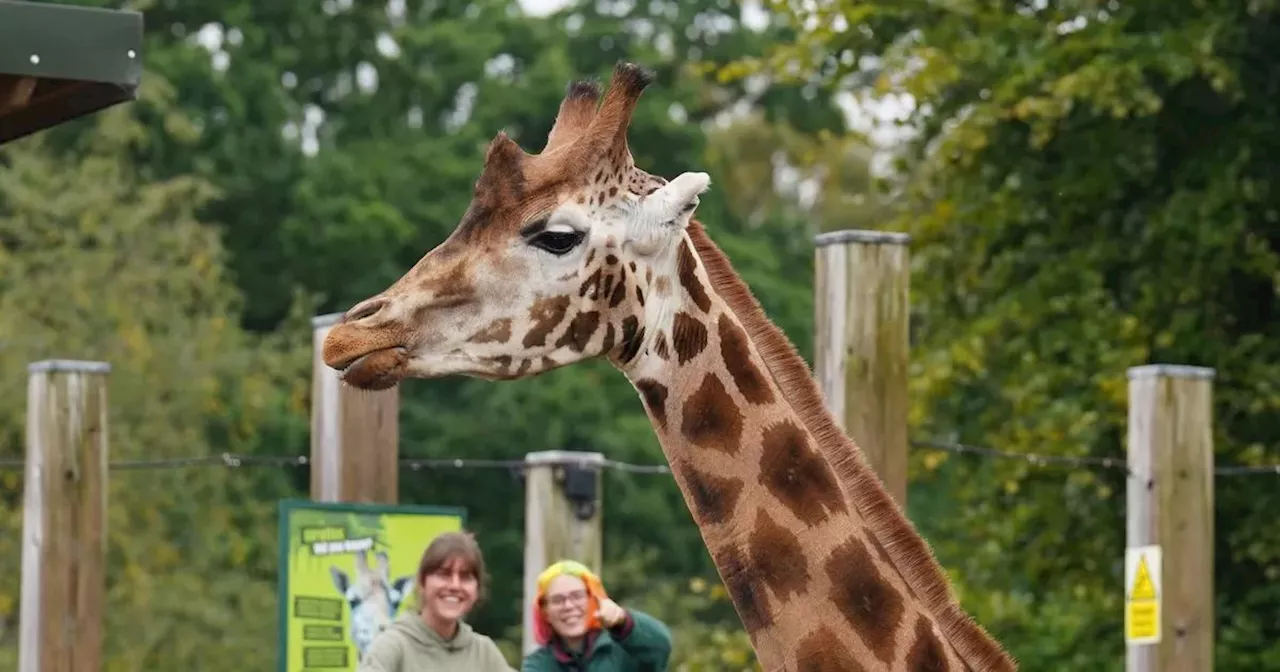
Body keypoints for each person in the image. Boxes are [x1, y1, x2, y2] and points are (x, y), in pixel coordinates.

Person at [358, 531, 513, 671]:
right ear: (422, 583)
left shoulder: (483, 652)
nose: (455, 585)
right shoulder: (393, 646)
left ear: (477, 589)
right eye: (444, 574)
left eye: (465, 576)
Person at [522, 560, 672, 672]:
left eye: (577, 596)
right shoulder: (538, 665)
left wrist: (622, 621)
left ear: (594, 600)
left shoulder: (624, 650)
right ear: (545, 612)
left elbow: (661, 646)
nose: (568, 606)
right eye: (557, 600)